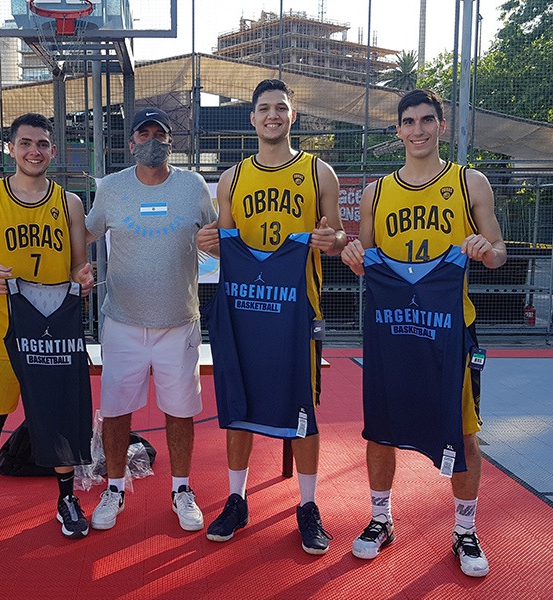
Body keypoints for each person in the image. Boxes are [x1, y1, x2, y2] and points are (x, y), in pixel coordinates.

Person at [340, 89, 507, 577]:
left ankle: (465, 529)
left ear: (442, 125)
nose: (417, 130)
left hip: (452, 328)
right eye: (408, 122)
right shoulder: (377, 193)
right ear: (397, 130)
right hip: (395, 329)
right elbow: (364, 263)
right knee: (382, 428)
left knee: (465, 434)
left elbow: (499, 252)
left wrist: (485, 250)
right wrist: (351, 257)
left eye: (427, 121)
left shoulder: (468, 182)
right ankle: (379, 518)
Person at [196, 79, 346, 555]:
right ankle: (237, 498)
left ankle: (307, 505)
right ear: (252, 118)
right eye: (264, 109)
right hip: (245, 309)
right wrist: (207, 241)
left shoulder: (318, 172)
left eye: (281, 108)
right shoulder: (232, 179)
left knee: (303, 406)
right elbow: (220, 240)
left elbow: (340, 237)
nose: (273, 115)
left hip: (300, 310)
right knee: (238, 403)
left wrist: (332, 242)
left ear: (293, 116)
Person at [0, 113, 95, 549]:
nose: (34, 150)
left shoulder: (69, 202)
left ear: (53, 151)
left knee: (57, 420)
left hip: (51, 335)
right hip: (1, 334)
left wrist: (84, 276)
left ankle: (67, 500)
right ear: (11, 149)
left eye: (42, 144)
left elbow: (76, 265)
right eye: (25, 143)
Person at [85, 107, 216, 533]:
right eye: (145, 133)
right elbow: (84, 234)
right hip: (122, 322)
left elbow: (216, 242)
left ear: (171, 143)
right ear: (131, 142)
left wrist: (212, 246)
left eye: (161, 134)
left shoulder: (194, 185)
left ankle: (181, 488)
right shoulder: (111, 189)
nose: (153, 140)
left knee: (180, 412)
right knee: (117, 410)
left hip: (179, 323)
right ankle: (116, 487)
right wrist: (74, 268)